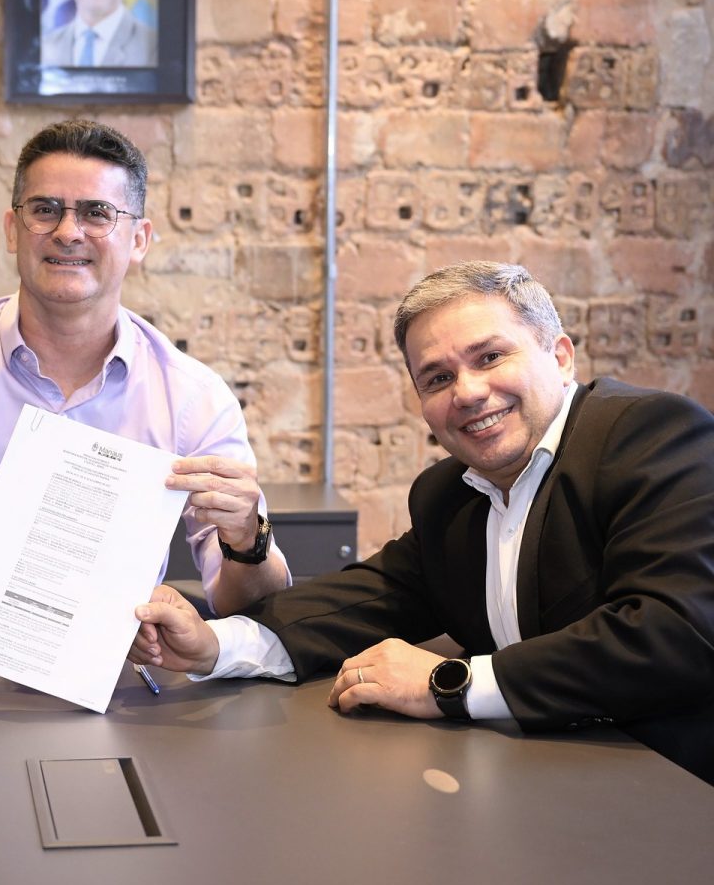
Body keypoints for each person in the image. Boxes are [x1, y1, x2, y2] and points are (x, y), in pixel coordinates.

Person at [130, 261, 714, 782]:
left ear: (560, 356)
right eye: (437, 378)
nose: (469, 392)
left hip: (672, 791)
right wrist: (212, 645)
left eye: (490, 357)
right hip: (538, 783)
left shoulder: (647, 435)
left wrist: (450, 684)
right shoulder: (448, 496)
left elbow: (677, 633)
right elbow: (361, 601)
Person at [0, 119, 289, 694]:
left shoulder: (193, 397)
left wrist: (248, 539)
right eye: (45, 210)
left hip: (115, 686)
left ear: (139, 239)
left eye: (98, 213)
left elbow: (247, 608)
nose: (68, 232)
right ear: (13, 229)